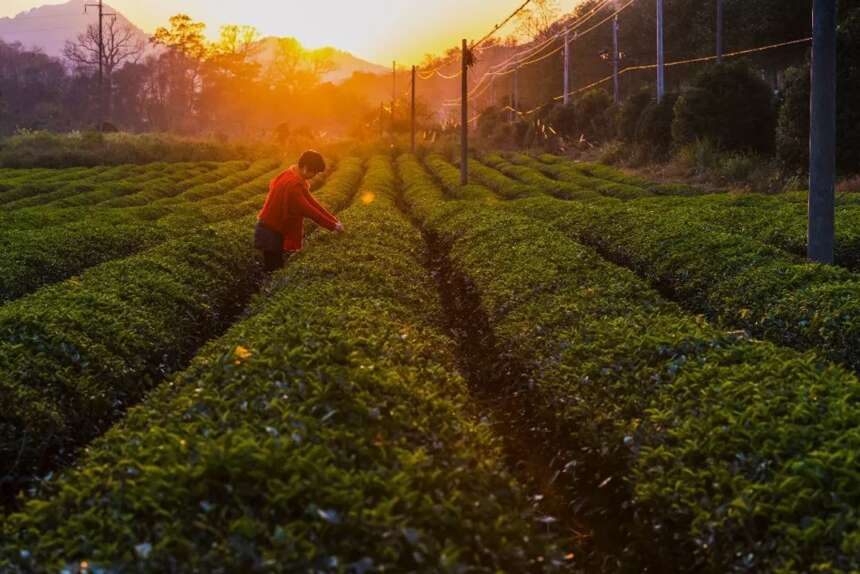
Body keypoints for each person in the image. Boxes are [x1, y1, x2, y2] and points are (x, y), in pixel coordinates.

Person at [254, 150, 344, 272]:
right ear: (305, 168)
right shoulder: (292, 184)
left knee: (276, 267)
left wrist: (334, 222)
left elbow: (313, 203)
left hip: (273, 229)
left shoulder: (292, 175)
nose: (315, 175)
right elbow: (308, 209)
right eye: (315, 172)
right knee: (274, 269)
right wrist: (333, 226)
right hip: (269, 232)